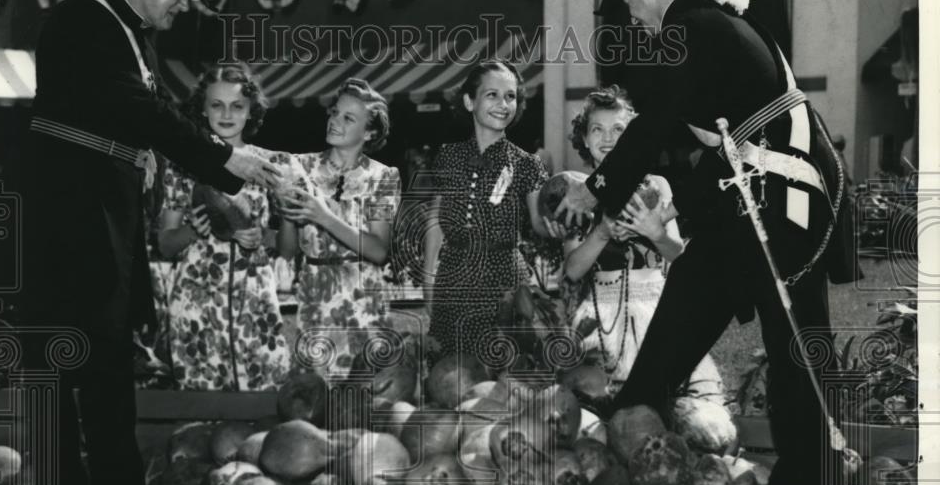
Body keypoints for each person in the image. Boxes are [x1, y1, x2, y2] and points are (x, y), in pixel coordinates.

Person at [554, 0, 857, 485]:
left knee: (795, 354)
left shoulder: (689, 27)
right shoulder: (719, 27)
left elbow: (653, 126)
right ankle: (636, 454)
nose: (633, 18)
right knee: (710, 335)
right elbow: (702, 146)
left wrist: (592, 188)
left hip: (776, 211)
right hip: (754, 211)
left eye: (628, 2)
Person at [17, 0, 282, 485]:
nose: (181, 6)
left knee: (101, 362)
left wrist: (214, 160)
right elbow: (141, 113)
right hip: (67, 217)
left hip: (96, 215)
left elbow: (146, 121)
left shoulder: (124, 31)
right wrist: (222, 157)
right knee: (77, 362)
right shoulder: (83, 22)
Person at [548, 86, 723, 401]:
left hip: (657, 308)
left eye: (619, 129)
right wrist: (601, 233)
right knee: (599, 403)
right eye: (597, 129)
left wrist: (654, 231)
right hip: (601, 314)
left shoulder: (657, 186)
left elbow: (679, 256)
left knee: (671, 402)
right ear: (584, 139)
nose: (607, 137)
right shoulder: (580, 194)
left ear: (634, 138)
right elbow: (571, 272)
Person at [158, 64, 291, 390]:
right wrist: (193, 230)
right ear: (202, 109)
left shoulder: (273, 166)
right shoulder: (182, 165)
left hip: (255, 300)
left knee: (262, 405)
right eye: (217, 105)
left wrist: (264, 237)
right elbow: (165, 244)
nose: (227, 114)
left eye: (237, 106)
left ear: (251, 110)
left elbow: (289, 247)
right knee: (202, 411)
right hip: (196, 304)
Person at [423, 59, 553, 363]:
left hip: (505, 282)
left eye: (510, 96)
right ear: (470, 101)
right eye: (491, 94)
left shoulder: (527, 164)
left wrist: (558, 222)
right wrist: (428, 279)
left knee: (505, 375)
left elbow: (540, 222)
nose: (503, 103)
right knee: (451, 376)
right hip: (453, 278)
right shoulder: (448, 157)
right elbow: (436, 221)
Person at [277, 78, 402, 378]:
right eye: (334, 113)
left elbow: (378, 250)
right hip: (316, 302)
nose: (335, 122)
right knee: (315, 402)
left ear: (369, 131)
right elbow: (286, 250)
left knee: (368, 396)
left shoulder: (383, 177)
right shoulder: (298, 168)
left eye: (348, 118)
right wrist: (286, 214)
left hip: (365, 304)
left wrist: (324, 216)